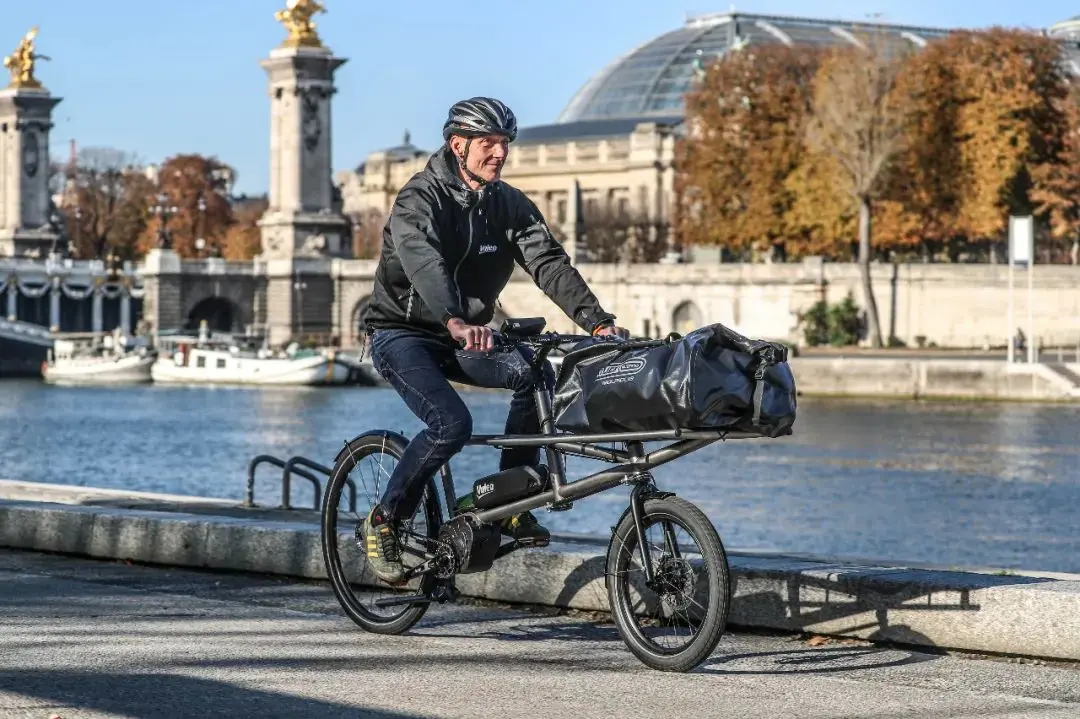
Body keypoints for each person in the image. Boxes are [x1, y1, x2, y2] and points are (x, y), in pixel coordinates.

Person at [362, 97, 628, 584]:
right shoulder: (419, 199)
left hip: (468, 336)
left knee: (536, 375)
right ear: (457, 145)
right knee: (451, 423)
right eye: (488, 143)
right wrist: (455, 318)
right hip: (403, 333)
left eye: (504, 144)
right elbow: (425, 263)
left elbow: (548, 262)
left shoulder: (507, 203)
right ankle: (386, 519)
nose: (499, 153)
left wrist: (597, 323)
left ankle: (507, 499)